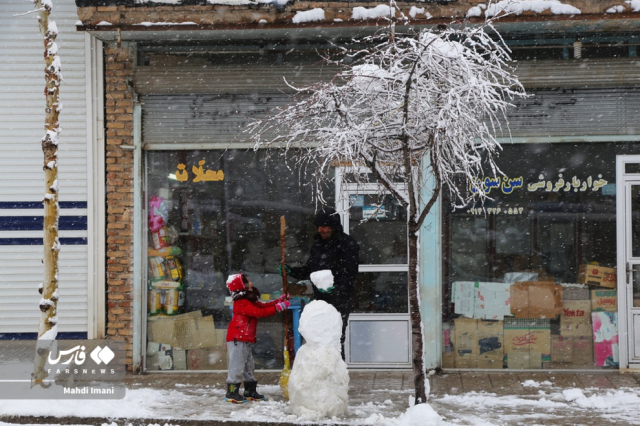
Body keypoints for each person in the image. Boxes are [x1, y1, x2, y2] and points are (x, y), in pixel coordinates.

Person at [280, 207, 360, 360]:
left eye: (324, 226)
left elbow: (350, 274)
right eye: (318, 226)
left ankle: (336, 373)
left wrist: (336, 289)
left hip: (340, 301)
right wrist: (290, 271)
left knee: (335, 338)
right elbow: (310, 270)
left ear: (334, 226)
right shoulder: (318, 245)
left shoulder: (347, 244)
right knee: (318, 337)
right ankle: (319, 371)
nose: (320, 230)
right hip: (319, 300)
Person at [225, 273, 290, 404]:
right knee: (237, 366)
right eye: (248, 282)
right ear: (241, 286)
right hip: (238, 338)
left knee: (249, 366)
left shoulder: (249, 300)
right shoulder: (241, 302)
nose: (251, 284)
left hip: (246, 338)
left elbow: (262, 306)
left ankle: (250, 391)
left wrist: (279, 301)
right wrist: (278, 308)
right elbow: (259, 312)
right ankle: (232, 392)